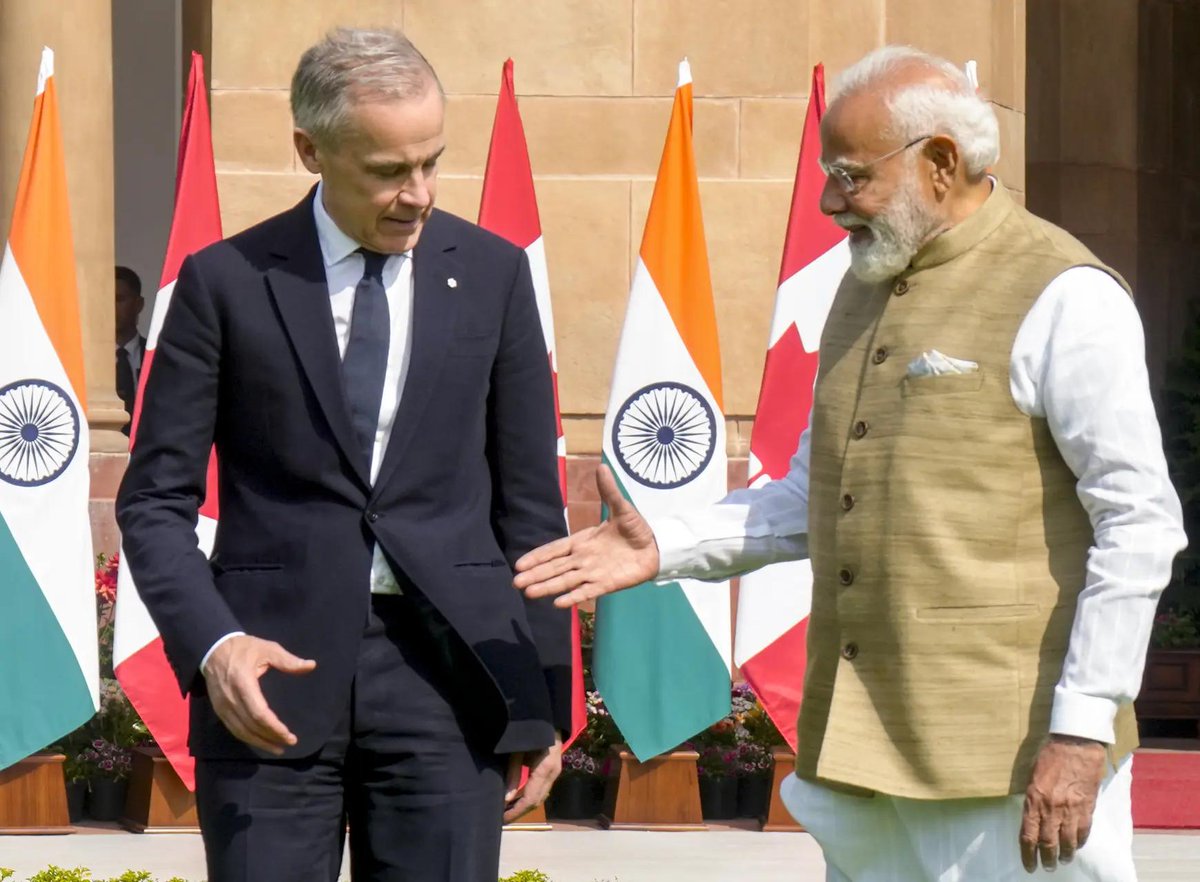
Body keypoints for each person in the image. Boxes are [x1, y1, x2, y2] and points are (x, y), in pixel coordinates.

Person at [515, 45, 1186, 882]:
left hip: (1013, 771)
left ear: (940, 164)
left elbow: (1139, 527)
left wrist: (1082, 733)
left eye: (851, 175)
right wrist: (664, 547)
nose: (831, 201)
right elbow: (812, 495)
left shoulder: (1067, 295)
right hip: (861, 767)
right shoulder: (863, 285)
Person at [117, 28, 569, 882]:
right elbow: (153, 503)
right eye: (388, 171)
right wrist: (215, 645)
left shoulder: (496, 275)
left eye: (432, 162)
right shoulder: (224, 283)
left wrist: (542, 702)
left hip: (452, 684)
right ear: (309, 151)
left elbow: (531, 510)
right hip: (268, 687)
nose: (420, 193)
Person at [114, 265, 146, 433]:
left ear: (138, 304)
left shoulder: (156, 357)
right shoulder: (85, 362)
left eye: (119, 299)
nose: (111, 307)